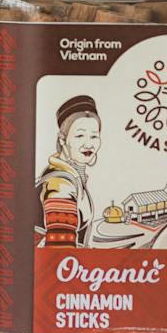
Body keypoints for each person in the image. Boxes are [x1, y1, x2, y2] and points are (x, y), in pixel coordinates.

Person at [38, 96, 102, 248]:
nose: (89, 144)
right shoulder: (60, 183)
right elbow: (60, 248)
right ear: (62, 139)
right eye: (80, 135)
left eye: (94, 136)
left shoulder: (74, 176)